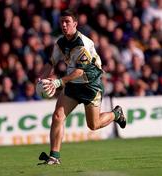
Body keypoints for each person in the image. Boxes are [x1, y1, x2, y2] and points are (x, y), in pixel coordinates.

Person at [37, 9, 126, 165]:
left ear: (75, 24)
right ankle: (54, 156)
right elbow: (51, 62)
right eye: (62, 22)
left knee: (93, 125)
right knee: (58, 116)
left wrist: (58, 82)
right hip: (73, 85)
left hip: (90, 85)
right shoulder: (60, 42)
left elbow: (79, 71)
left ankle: (116, 114)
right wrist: (41, 79)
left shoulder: (82, 44)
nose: (64, 25)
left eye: (67, 22)